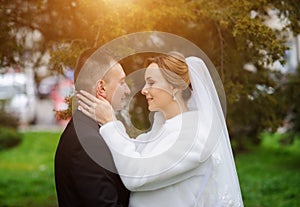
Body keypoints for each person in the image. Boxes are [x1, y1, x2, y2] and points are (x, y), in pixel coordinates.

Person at [77, 52, 244, 206]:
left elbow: (136, 176)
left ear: (175, 87)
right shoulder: (162, 130)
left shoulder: (195, 137)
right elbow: (129, 153)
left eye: (151, 82)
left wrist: (109, 122)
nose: (143, 90)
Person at [54, 48, 131, 207]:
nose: (128, 90)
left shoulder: (89, 129)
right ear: (101, 88)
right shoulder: (86, 142)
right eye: (122, 82)